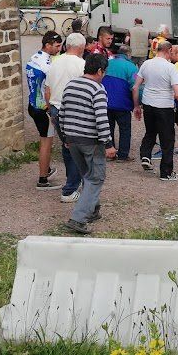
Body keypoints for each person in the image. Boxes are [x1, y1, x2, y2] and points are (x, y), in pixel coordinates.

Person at [57, 54, 117, 235]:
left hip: (73, 140)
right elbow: (101, 118)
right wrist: (108, 144)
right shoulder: (97, 89)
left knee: (87, 175)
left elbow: (61, 113)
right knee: (96, 178)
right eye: (104, 72)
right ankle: (78, 218)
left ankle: (93, 210)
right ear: (100, 70)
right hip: (91, 141)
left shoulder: (71, 85)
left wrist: (65, 138)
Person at [44, 33, 87, 204]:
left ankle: (72, 182)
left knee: (67, 147)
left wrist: (50, 109)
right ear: (82, 47)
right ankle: (70, 189)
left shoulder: (55, 63)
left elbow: (47, 90)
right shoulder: (82, 64)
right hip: (73, 111)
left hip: (56, 108)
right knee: (78, 149)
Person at [135, 41, 178, 180]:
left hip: (148, 105)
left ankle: (145, 155)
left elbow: (135, 87)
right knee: (167, 139)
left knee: (150, 132)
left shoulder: (146, 64)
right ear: (169, 51)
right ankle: (166, 172)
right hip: (164, 107)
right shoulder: (171, 68)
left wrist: (136, 106)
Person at [25, 31, 63, 189]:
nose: (59, 49)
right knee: (46, 143)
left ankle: (46, 169)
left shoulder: (34, 57)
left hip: (32, 105)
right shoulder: (48, 65)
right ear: (48, 45)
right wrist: (51, 107)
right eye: (57, 46)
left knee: (45, 141)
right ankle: (42, 179)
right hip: (43, 108)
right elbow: (49, 89)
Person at [103, 43, 140, 161]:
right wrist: (136, 105)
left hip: (106, 102)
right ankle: (123, 155)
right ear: (128, 55)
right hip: (122, 104)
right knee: (125, 129)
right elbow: (134, 88)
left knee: (109, 127)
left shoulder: (108, 63)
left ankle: (110, 152)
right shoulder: (132, 67)